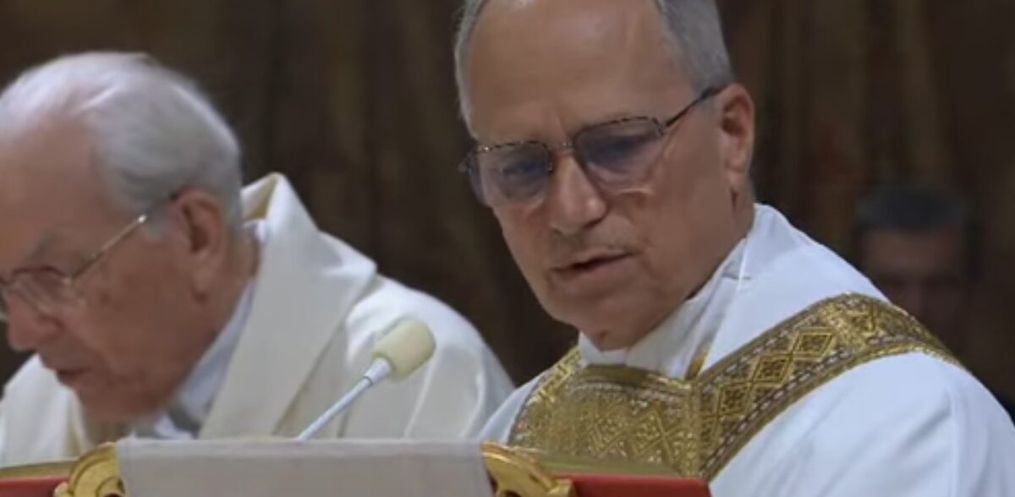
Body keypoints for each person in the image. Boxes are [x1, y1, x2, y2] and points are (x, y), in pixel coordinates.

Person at [453, 0, 1015, 495]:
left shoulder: (901, 421)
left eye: (618, 147)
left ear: (732, 135)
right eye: (521, 168)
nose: (572, 211)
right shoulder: (514, 433)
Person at [0, 52, 513, 465]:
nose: (22, 334)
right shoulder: (33, 411)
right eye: (6, 290)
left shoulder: (412, 383)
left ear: (197, 235)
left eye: (52, 279)